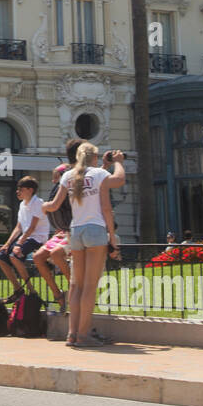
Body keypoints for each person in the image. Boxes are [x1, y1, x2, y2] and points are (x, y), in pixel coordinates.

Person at [43, 143, 126, 348]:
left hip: (76, 231)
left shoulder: (68, 176)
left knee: (76, 285)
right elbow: (112, 196)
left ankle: (72, 334)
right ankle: (84, 334)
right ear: (95, 157)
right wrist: (118, 163)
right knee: (90, 286)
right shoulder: (99, 174)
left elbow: (53, 205)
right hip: (95, 230)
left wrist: (44, 207)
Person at [0, 176, 48, 303]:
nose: (18, 192)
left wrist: (19, 243)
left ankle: (32, 291)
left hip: (37, 238)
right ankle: (18, 290)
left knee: (14, 256)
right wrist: (7, 244)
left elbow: (32, 228)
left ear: (30, 190)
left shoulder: (38, 203)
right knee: (0, 257)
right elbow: (19, 227)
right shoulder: (22, 205)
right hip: (26, 237)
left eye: (21, 189)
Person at [33, 163, 73, 309]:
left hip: (73, 231)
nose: (52, 181)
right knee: (38, 257)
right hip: (61, 232)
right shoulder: (59, 190)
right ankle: (58, 294)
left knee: (56, 255)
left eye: (55, 178)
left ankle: (74, 289)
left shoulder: (71, 188)